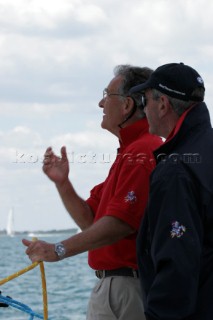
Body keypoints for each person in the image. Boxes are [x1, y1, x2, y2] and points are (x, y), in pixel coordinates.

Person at [22, 65, 162, 320]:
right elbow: (90, 220)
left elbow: (119, 224)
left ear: (127, 105)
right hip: (119, 288)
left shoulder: (142, 152)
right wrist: (62, 184)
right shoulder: (130, 152)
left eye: (107, 95)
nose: (100, 103)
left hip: (126, 290)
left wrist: (58, 249)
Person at [130, 62, 213, 320]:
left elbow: (177, 260)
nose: (144, 110)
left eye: (145, 101)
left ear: (163, 104)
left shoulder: (176, 169)